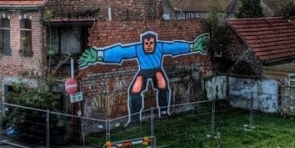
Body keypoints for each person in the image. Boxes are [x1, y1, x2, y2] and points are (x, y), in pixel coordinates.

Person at [79, 31, 208, 124]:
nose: (149, 45)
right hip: (143, 70)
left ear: (154, 42)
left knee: (162, 82)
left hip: (157, 68)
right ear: (143, 43)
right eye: (146, 43)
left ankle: (163, 112)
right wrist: (99, 55)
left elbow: (175, 47)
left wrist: (192, 46)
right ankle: (134, 118)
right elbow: (121, 52)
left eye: (151, 42)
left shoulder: (160, 47)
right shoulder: (138, 49)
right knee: (135, 88)